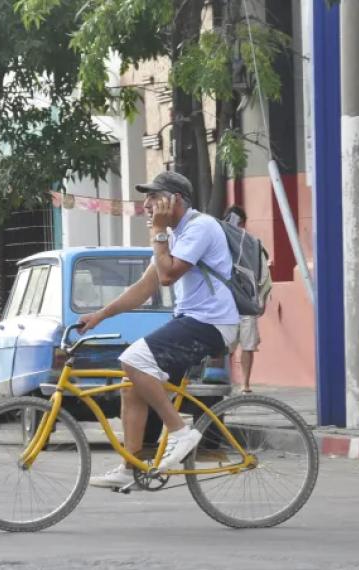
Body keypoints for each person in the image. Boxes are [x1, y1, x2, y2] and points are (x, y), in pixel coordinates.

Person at [80, 171, 240, 489]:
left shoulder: (199, 227)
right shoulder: (176, 234)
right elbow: (145, 287)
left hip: (211, 323)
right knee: (131, 385)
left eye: (154, 197)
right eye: (147, 198)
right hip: (191, 321)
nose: (147, 204)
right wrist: (100, 315)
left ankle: (181, 434)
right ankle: (132, 467)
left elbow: (167, 276)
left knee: (132, 359)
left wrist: (157, 231)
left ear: (175, 200)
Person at [223, 205, 260, 393]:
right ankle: (228, 381)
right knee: (227, 347)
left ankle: (245, 384)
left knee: (247, 345)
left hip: (245, 302)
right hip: (228, 304)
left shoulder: (250, 244)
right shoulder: (222, 242)